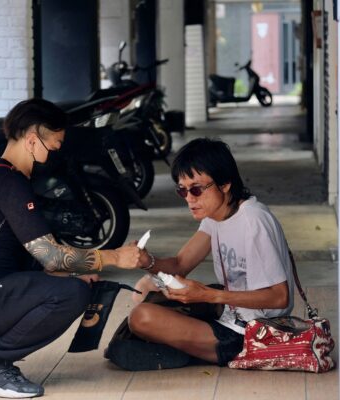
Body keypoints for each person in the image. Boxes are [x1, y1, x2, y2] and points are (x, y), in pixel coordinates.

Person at [0, 98, 141, 399]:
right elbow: (52, 257)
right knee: (72, 294)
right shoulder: (6, 182)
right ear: (32, 140)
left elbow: (38, 257)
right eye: (53, 146)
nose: (55, 153)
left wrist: (70, 273)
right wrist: (115, 257)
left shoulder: (2, 176)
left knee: (70, 285)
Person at [126, 137, 295, 370]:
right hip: (228, 312)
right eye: (182, 191)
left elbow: (279, 297)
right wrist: (147, 261)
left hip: (256, 331)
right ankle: (187, 344)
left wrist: (208, 295)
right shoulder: (215, 216)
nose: (190, 199)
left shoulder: (253, 221)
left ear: (225, 184)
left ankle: (188, 347)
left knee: (141, 318)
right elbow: (180, 264)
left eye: (196, 189)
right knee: (145, 287)